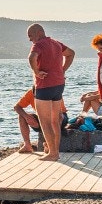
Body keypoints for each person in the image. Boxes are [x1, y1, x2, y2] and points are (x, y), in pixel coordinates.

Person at [26, 23, 74, 162]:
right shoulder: (56, 43)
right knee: (55, 120)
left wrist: (36, 72)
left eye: (30, 36)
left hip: (44, 86)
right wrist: (62, 70)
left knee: (45, 121)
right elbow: (71, 53)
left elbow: (31, 58)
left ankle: (52, 153)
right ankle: (55, 151)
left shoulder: (39, 44)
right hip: (59, 85)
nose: (30, 39)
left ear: (38, 33)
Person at [15, 87, 68, 154]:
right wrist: (26, 116)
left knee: (57, 117)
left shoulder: (54, 92)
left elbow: (59, 113)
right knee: (22, 116)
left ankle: (50, 146)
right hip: (42, 119)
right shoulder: (31, 92)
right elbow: (17, 107)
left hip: (59, 118)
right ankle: (27, 145)